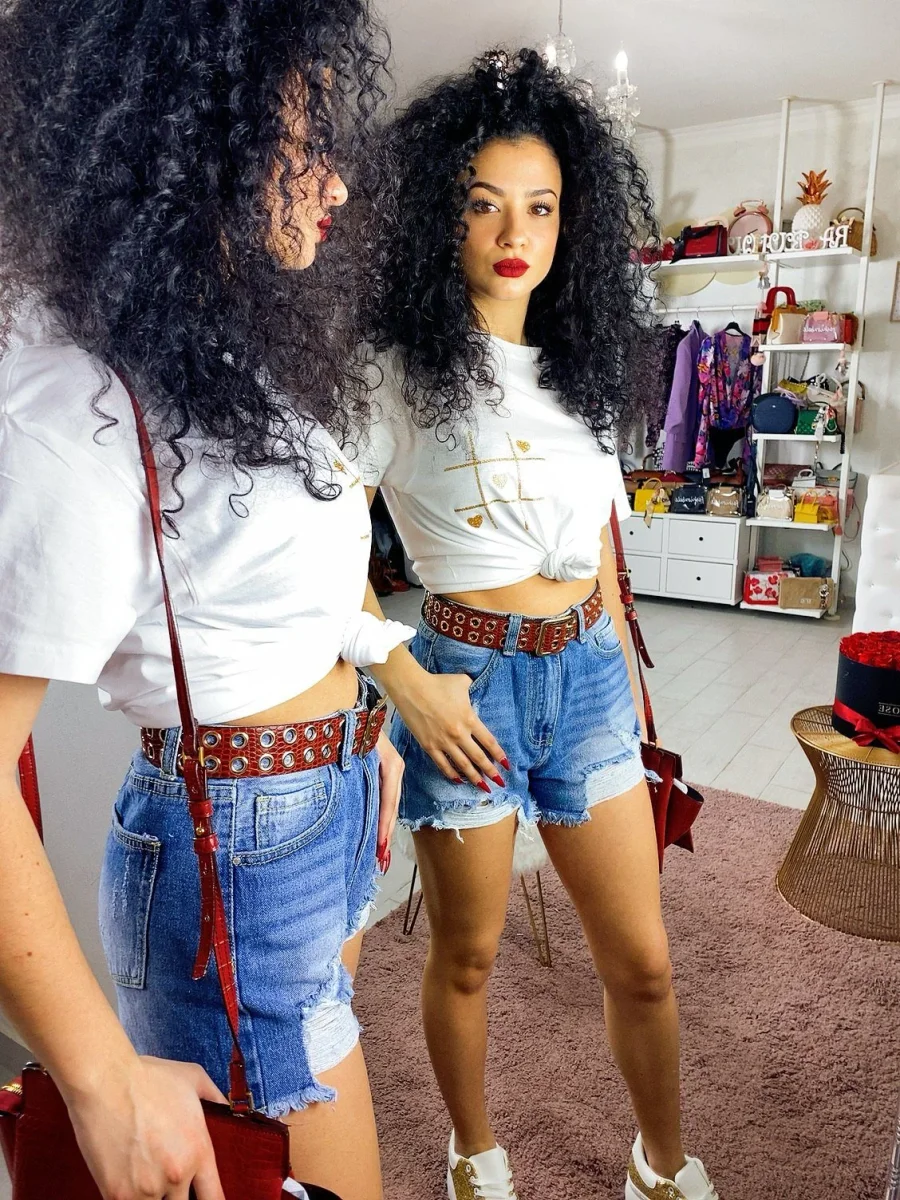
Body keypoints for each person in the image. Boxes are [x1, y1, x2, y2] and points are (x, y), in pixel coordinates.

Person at [0, 4, 406, 1199]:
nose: (337, 181)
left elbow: (274, 586)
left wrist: (358, 729)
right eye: (303, 140)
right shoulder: (75, 402)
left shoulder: (215, 351)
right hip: (239, 853)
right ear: (190, 136)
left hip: (316, 812)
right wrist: (97, 1077)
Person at [356, 49, 719, 1200]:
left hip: (589, 678)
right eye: (484, 203)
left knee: (645, 963)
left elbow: (601, 539)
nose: (517, 232)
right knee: (466, 957)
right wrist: (404, 681)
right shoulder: (390, 373)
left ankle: (663, 1166)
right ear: (440, 215)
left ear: (574, 218)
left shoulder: (585, 364)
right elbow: (312, 551)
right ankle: (474, 1153)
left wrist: (621, 673)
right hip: (467, 682)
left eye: (543, 206)